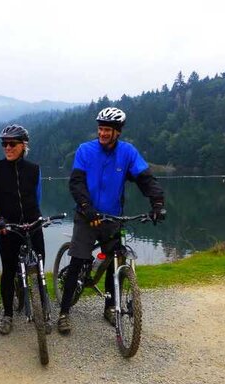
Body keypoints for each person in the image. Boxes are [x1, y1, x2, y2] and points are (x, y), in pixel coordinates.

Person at [57, 107, 166, 335]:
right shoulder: (85, 150)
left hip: (113, 218)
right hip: (87, 216)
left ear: (118, 132)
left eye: (108, 129)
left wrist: (157, 203)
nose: (103, 133)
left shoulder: (127, 152)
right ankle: (64, 312)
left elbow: (145, 178)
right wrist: (87, 209)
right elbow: (76, 183)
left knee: (114, 262)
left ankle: (109, 308)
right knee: (77, 262)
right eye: (100, 129)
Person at [0, 124, 47, 335]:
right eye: (4, 144)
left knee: (40, 270)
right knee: (8, 272)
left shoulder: (34, 169)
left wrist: (36, 219)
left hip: (33, 226)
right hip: (7, 229)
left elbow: (37, 198)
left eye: (12, 144)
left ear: (23, 145)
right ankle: (7, 315)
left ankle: (44, 312)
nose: (7, 148)